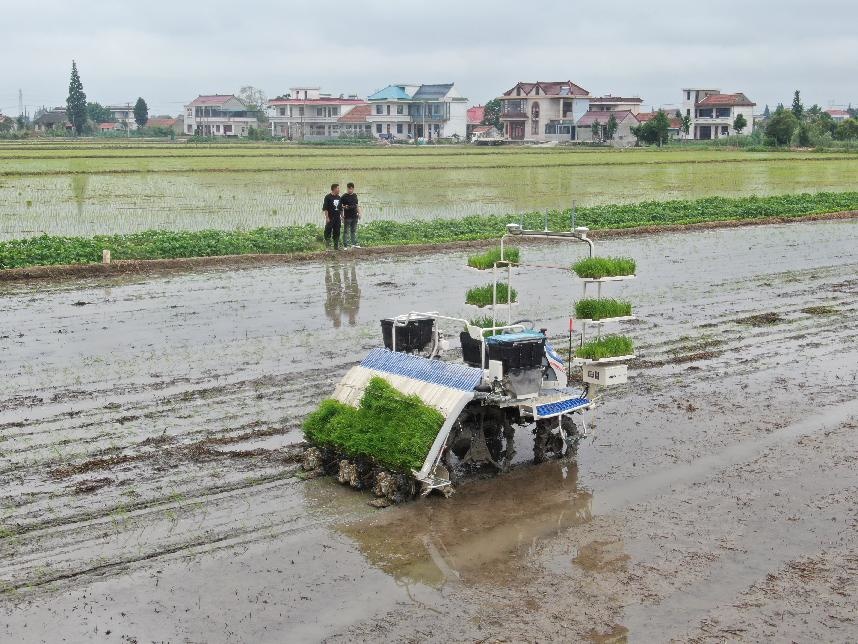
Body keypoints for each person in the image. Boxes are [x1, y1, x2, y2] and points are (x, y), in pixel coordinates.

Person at [340, 182, 361, 249]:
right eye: (348, 189)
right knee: (346, 231)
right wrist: (342, 216)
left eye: (351, 189)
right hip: (347, 217)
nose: (350, 190)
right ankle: (345, 245)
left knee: (353, 230)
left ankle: (354, 244)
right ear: (347, 188)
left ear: (353, 189)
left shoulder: (355, 196)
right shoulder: (344, 196)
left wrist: (359, 213)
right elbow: (340, 206)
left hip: (354, 216)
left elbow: (357, 205)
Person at [322, 183, 343, 250]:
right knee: (328, 230)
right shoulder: (328, 197)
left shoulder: (339, 197)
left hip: (337, 218)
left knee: (337, 231)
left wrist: (342, 217)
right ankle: (327, 246)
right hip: (330, 217)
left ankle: (336, 247)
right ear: (334, 189)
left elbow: (340, 208)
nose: (339, 190)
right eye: (338, 188)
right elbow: (325, 208)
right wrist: (327, 217)